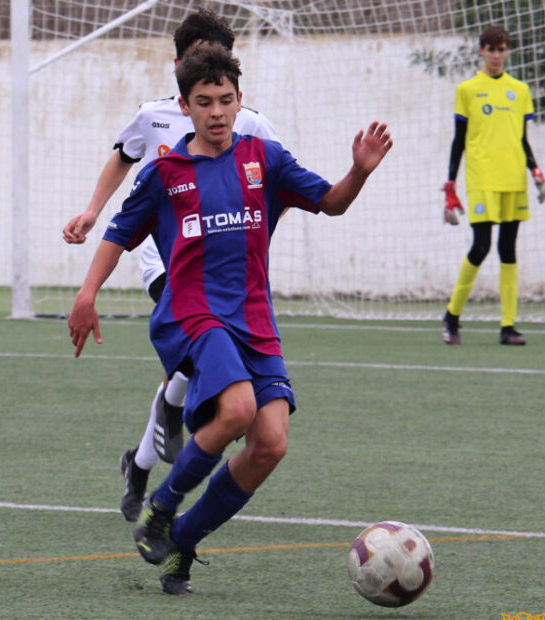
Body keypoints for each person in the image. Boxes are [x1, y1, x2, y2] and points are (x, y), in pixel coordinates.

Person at [67, 44, 392, 594]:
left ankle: (184, 542)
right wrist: (85, 294)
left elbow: (332, 202)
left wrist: (358, 172)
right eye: (204, 102)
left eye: (225, 100)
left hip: (254, 320)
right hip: (192, 315)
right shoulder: (167, 172)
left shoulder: (264, 159)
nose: (217, 111)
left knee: (270, 444)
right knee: (239, 409)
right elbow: (120, 235)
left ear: (240, 101)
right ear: (186, 107)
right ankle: (162, 508)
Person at [62, 8, 279, 523]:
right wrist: (93, 211)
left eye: (219, 62)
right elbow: (123, 154)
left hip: (233, 274)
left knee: (189, 368)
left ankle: (138, 466)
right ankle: (170, 424)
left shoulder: (249, 123)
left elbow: (275, 185)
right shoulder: (154, 116)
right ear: (178, 64)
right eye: (198, 62)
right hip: (166, 260)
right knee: (192, 342)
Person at [441, 25, 545, 346]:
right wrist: (450, 185)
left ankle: (508, 326)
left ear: (506, 51)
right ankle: (452, 316)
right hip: (482, 178)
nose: (497, 55)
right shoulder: (468, 89)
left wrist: (536, 172)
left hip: (514, 178)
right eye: (491, 49)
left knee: (508, 249)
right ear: (481, 51)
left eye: (502, 49)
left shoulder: (520, 90)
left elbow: (522, 139)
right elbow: (458, 141)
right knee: (482, 246)